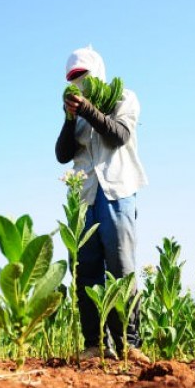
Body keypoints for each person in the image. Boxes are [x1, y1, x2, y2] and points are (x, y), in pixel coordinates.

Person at [55, 45, 150, 363]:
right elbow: (62, 155)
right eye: (73, 78)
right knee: (87, 271)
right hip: (84, 196)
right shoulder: (76, 113)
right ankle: (95, 344)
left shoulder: (125, 98)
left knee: (122, 268)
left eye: (83, 75)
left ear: (96, 73)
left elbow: (118, 136)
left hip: (118, 192)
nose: (79, 82)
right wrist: (70, 120)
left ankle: (128, 343)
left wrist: (88, 111)